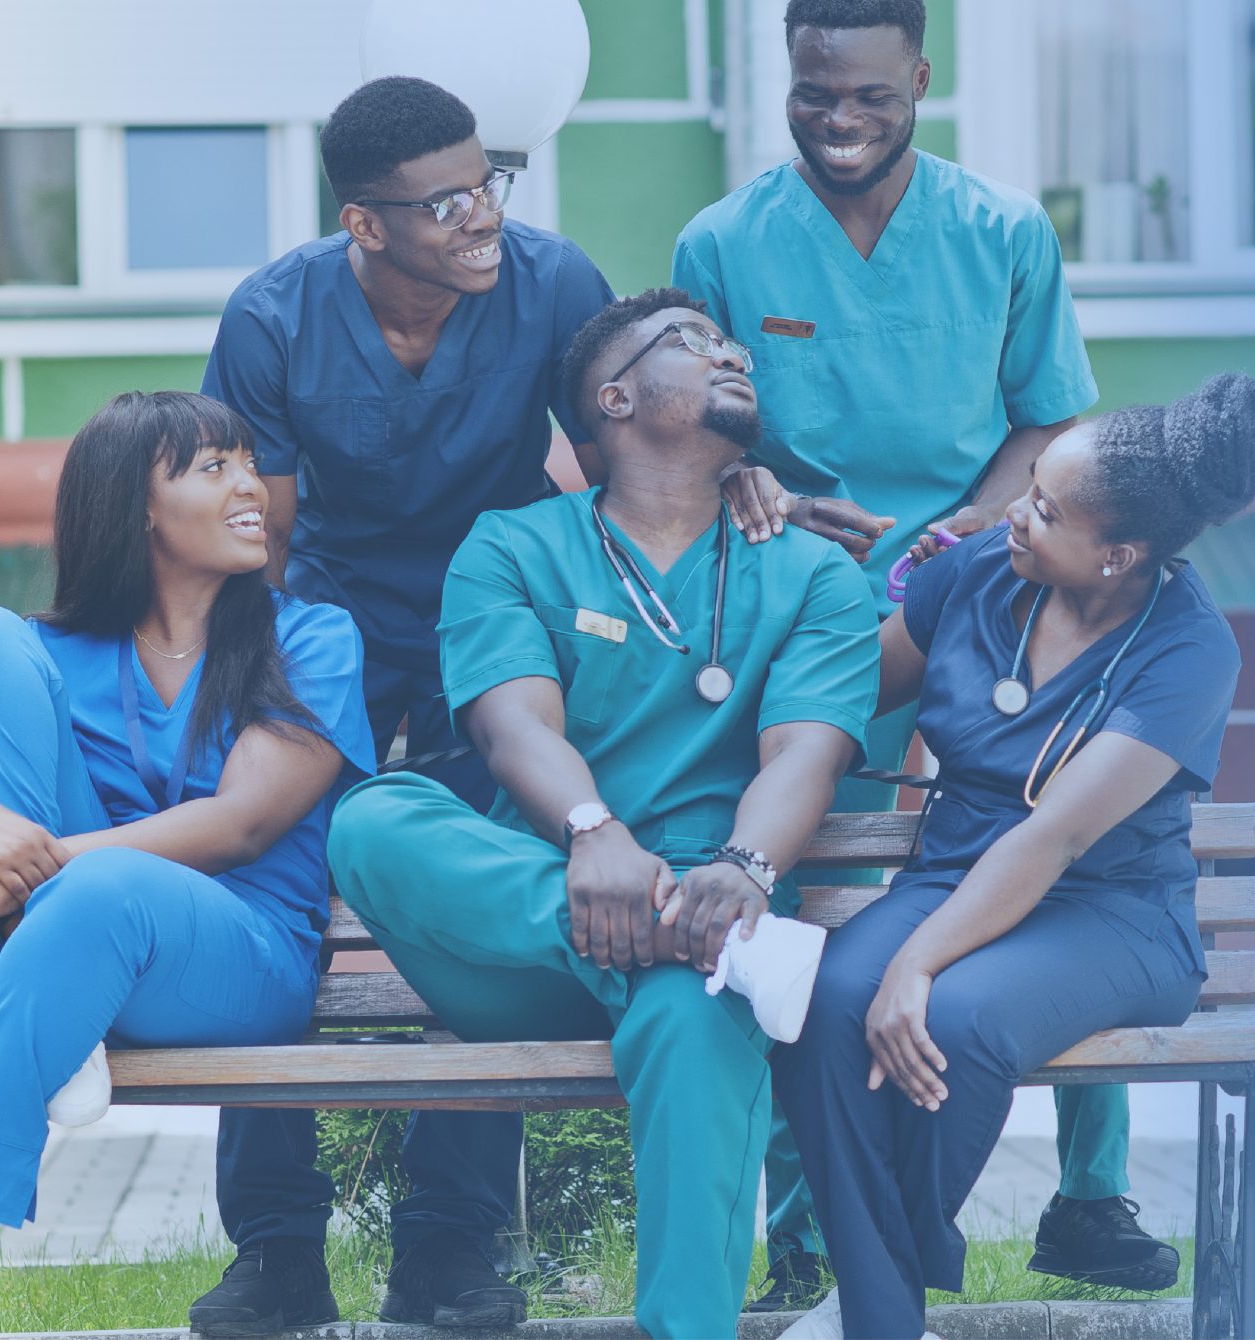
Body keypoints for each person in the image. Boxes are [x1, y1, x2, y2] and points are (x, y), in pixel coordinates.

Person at [670, 0, 1158, 1305]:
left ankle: (1092, 1196)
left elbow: (1051, 426)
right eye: (815, 94)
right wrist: (753, 484)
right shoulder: (722, 243)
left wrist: (960, 540)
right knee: (806, 883)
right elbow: (702, 434)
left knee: (1059, 855)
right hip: (814, 614)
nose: (839, 121)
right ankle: (801, 1230)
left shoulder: (1002, 231)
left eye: (871, 99)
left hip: (993, 580)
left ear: (922, 83)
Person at [325, 288, 879, 1340]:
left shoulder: (813, 574)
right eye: (692, 342)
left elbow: (805, 748)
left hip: (721, 905)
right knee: (374, 818)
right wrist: (594, 832)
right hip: (532, 935)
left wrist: (748, 869)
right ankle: (672, 936)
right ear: (613, 396)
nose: (730, 354)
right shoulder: (512, 546)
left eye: (734, 342)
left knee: (694, 1013)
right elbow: (510, 726)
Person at [0, 392, 375, 1338]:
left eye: (250, 463)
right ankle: (60, 1017)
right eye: (214, 468)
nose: (253, 486)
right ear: (137, 505)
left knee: (99, 884)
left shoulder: (310, 637)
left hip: (238, 957)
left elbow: (242, 824)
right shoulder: (58, 652)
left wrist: (13, 876)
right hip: (77, 932)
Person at [195, 75, 613, 1333]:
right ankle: (275, 1249)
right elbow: (255, 532)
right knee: (268, 882)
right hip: (326, 616)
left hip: (497, 608)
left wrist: (740, 480)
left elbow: (624, 469)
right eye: (444, 203)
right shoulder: (273, 315)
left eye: (486, 181)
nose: (480, 215)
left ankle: (450, 1247)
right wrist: (259, 711)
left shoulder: (554, 282)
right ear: (364, 223)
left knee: (481, 912)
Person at [772, 374, 1255, 1340]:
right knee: (828, 1003)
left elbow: (1057, 835)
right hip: (951, 880)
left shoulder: (1186, 651)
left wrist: (917, 962)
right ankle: (882, 1309)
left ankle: (868, 1311)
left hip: (1112, 918)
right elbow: (850, 695)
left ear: (1118, 555)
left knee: (954, 1020)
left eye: (1045, 508)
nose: (1016, 512)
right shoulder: (978, 572)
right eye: (1028, 485)